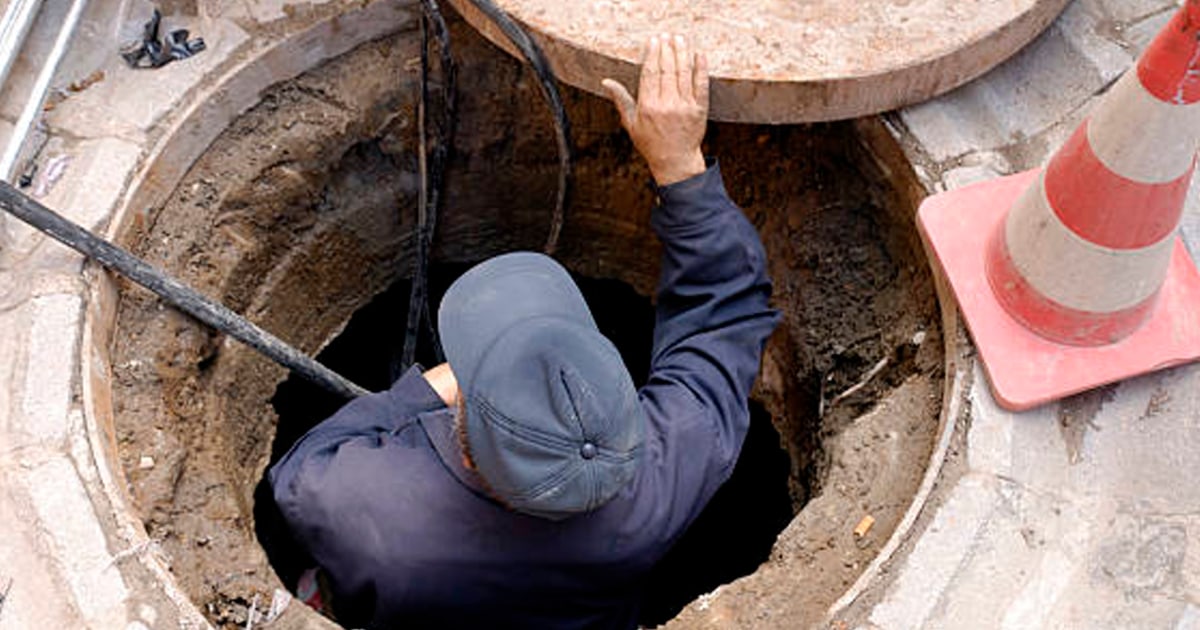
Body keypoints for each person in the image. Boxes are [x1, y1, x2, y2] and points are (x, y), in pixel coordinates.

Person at [269, 33, 780, 629]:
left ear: (468, 432)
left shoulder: (368, 506)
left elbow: (298, 473)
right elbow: (724, 321)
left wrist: (425, 390)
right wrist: (679, 166)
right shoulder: (660, 478)